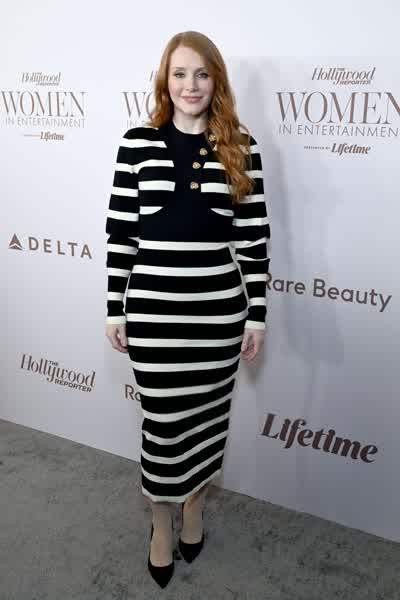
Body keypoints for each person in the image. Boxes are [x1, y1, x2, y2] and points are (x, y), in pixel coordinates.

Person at [105, 30, 270, 588]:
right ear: (165, 80)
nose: (190, 85)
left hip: (218, 316)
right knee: (163, 424)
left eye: (201, 73)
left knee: (209, 418)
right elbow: (121, 235)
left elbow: (254, 240)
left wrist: (256, 315)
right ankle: (160, 521)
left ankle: (194, 508)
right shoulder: (137, 143)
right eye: (179, 73)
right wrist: (114, 308)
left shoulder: (241, 146)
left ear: (216, 80)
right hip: (154, 313)